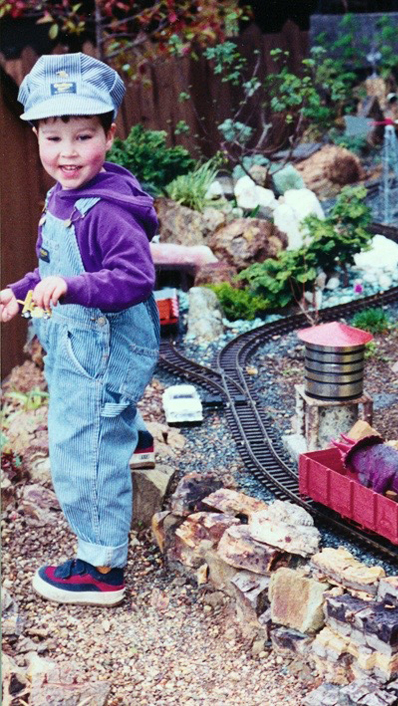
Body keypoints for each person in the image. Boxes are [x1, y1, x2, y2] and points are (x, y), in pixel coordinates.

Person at [0, 53, 160, 606]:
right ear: (37, 136)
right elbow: (53, 266)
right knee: (102, 408)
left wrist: (71, 287)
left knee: (78, 447)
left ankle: (100, 564)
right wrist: (22, 292)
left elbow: (135, 277)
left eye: (83, 136)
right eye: (53, 137)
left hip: (100, 345)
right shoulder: (67, 194)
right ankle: (132, 434)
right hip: (90, 342)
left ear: (110, 134)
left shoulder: (106, 211)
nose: (66, 153)